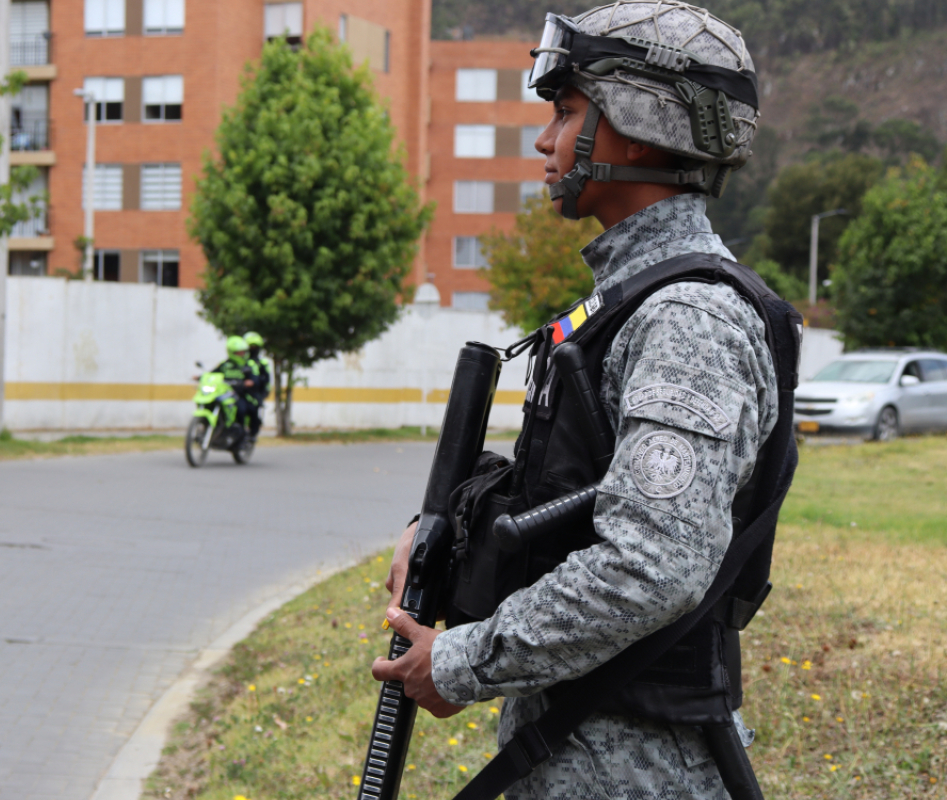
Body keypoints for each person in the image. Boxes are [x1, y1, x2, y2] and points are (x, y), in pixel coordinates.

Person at [372, 3, 795, 798]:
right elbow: (578, 495)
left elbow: (651, 564)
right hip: (584, 743)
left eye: (566, 112)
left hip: (630, 764)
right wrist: (439, 532)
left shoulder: (687, 319)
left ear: (637, 129)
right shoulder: (633, 301)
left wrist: (459, 661)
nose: (544, 139)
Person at [214, 335, 257, 437]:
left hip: (239, 394)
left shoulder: (248, 365)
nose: (241, 354)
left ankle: (241, 434)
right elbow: (213, 373)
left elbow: (254, 377)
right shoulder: (225, 365)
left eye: (243, 352)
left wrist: (250, 382)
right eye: (238, 352)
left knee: (241, 409)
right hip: (224, 393)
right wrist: (201, 377)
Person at [243, 332, 273, 439]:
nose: (252, 348)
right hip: (241, 390)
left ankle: (252, 434)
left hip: (256, 392)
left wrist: (263, 392)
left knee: (254, 410)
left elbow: (267, 379)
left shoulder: (262, 363)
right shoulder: (240, 361)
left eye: (255, 346)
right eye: (250, 346)